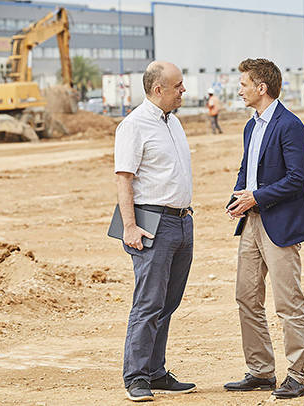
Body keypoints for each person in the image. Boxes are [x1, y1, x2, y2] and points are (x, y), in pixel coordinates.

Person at [224, 58, 304, 399]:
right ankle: (260, 371)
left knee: (288, 302)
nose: (239, 89)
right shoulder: (251, 126)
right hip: (251, 222)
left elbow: (297, 179)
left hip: (280, 224)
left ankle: (298, 375)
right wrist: (237, 197)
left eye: (244, 83)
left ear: (262, 88)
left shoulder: (290, 126)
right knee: (246, 296)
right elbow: (247, 169)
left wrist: (256, 197)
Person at [115, 61, 196, 402]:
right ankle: (136, 377)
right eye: (178, 85)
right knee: (148, 303)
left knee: (168, 303)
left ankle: (156, 371)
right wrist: (130, 226)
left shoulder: (173, 122)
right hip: (152, 224)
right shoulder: (134, 125)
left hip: (181, 221)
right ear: (158, 89)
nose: (184, 90)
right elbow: (124, 178)